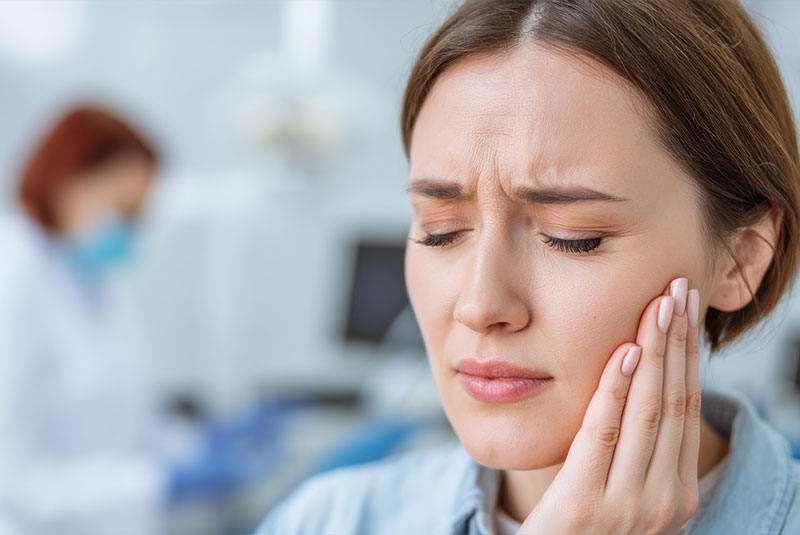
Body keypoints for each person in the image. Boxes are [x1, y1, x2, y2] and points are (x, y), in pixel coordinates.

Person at [258, 1, 800, 534]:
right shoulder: (328, 520)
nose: (480, 306)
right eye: (439, 229)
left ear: (742, 256)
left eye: (573, 239)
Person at [0, 106, 166, 535]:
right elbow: (12, 477)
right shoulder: (13, 274)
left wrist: (195, 445)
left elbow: (121, 422)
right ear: (67, 181)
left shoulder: (91, 279)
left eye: (140, 214)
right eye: (124, 209)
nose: (132, 228)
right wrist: (161, 484)